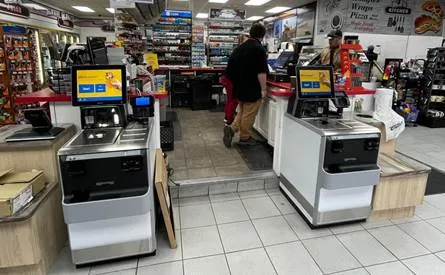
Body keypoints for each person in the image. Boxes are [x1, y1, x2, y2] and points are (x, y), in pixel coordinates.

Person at [223, 23, 268, 148]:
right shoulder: (259, 49)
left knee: (243, 111)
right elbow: (261, 72)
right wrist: (264, 89)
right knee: (250, 113)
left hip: (238, 87)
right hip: (252, 87)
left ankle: (232, 129)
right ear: (262, 36)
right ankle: (245, 138)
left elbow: (230, 69)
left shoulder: (239, 48)